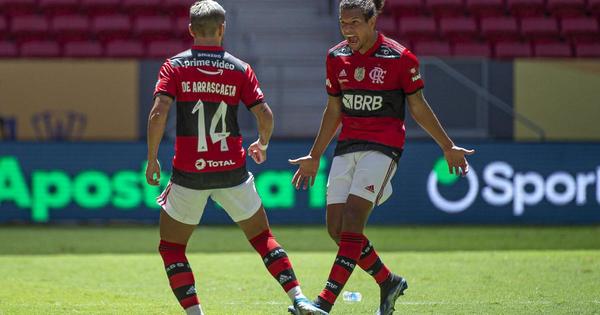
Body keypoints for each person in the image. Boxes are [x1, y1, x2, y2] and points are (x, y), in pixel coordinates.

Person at [288, 0, 475, 314]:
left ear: (373, 21)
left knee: (351, 221)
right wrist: (314, 155)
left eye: (355, 23)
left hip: (383, 146)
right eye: (343, 23)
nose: (348, 30)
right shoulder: (336, 57)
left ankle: (323, 303)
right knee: (336, 229)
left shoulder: (400, 58)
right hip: (347, 146)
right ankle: (389, 281)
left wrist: (447, 146)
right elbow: (334, 110)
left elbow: (417, 106)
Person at [145, 1, 326, 314]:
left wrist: (151, 158)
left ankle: (195, 313)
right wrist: (263, 142)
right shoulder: (240, 69)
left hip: (189, 172)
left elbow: (159, 112)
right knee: (262, 237)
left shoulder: (174, 66)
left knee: (172, 247)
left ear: (191, 30)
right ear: (222, 29)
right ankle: (299, 298)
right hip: (232, 170)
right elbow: (265, 114)